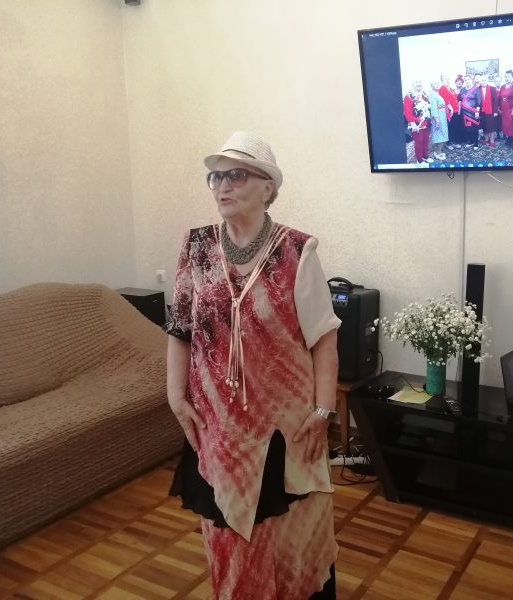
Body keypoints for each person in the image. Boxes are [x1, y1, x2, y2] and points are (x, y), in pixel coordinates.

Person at [165, 131, 341, 599]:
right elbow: (179, 328)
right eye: (216, 177)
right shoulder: (196, 247)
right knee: (225, 537)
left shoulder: (297, 251)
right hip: (218, 429)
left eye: (236, 175)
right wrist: (175, 395)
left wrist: (324, 410)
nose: (222, 186)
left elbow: (324, 338)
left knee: (290, 533)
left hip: (284, 428)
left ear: (267, 187)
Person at [403, 80, 432, 165]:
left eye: (420, 82)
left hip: (426, 121)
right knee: (419, 141)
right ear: (412, 85)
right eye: (416, 83)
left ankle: (425, 156)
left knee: (426, 140)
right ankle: (419, 160)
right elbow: (407, 111)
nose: (419, 84)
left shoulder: (424, 94)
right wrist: (412, 124)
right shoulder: (409, 96)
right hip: (416, 123)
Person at [458, 75, 481, 149]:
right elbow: (460, 100)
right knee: (468, 128)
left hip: (473, 112)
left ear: (472, 80)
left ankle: (476, 143)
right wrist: (459, 110)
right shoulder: (462, 90)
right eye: (466, 80)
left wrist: (477, 111)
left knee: (474, 128)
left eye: (468, 79)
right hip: (464, 113)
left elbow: (479, 101)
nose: (467, 81)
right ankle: (471, 141)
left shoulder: (476, 89)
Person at [427, 80, 449, 160]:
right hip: (438, 117)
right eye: (435, 83)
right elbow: (433, 108)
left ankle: (438, 151)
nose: (437, 85)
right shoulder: (432, 94)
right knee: (440, 134)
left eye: (438, 83)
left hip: (442, 115)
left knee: (442, 134)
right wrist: (436, 119)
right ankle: (438, 153)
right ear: (431, 85)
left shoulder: (437, 93)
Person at [498, 70, 513, 148]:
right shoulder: (503, 86)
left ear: (512, 77)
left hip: (511, 109)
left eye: (508, 76)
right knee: (506, 125)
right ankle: (509, 139)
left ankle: (512, 141)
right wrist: (499, 107)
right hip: (504, 110)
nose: (507, 78)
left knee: (512, 125)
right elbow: (500, 98)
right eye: (506, 77)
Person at [439, 74, 460, 150]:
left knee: (454, 127)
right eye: (445, 79)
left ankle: (454, 141)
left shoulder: (450, 88)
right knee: (449, 127)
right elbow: (445, 100)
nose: (447, 80)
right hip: (449, 112)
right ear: (442, 80)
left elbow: (455, 97)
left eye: (448, 79)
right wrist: (451, 109)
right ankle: (448, 143)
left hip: (455, 110)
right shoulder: (442, 88)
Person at [477, 74, 496, 148]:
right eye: (482, 80)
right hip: (481, 111)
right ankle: (486, 138)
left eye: (485, 80)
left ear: (487, 81)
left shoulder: (492, 88)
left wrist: (495, 111)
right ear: (480, 81)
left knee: (491, 126)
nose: (484, 81)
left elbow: (495, 101)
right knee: (484, 125)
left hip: (490, 111)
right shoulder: (478, 89)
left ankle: (492, 140)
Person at [491, 74, 504, 141]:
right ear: (494, 82)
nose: (498, 82)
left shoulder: (503, 89)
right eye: (496, 81)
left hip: (503, 109)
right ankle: (497, 134)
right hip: (495, 109)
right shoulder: (492, 90)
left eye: (499, 81)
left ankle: (504, 134)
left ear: (501, 81)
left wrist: (500, 109)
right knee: (496, 122)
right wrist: (497, 109)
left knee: (503, 122)